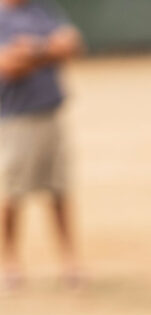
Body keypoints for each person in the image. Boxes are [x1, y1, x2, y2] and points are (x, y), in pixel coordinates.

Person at [0, 0, 83, 287]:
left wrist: (32, 50)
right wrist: (49, 49)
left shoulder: (41, 9)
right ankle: (10, 262)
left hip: (51, 113)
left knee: (59, 190)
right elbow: (9, 65)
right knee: (13, 194)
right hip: (16, 119)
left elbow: (72, 44)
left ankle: (70, 261)